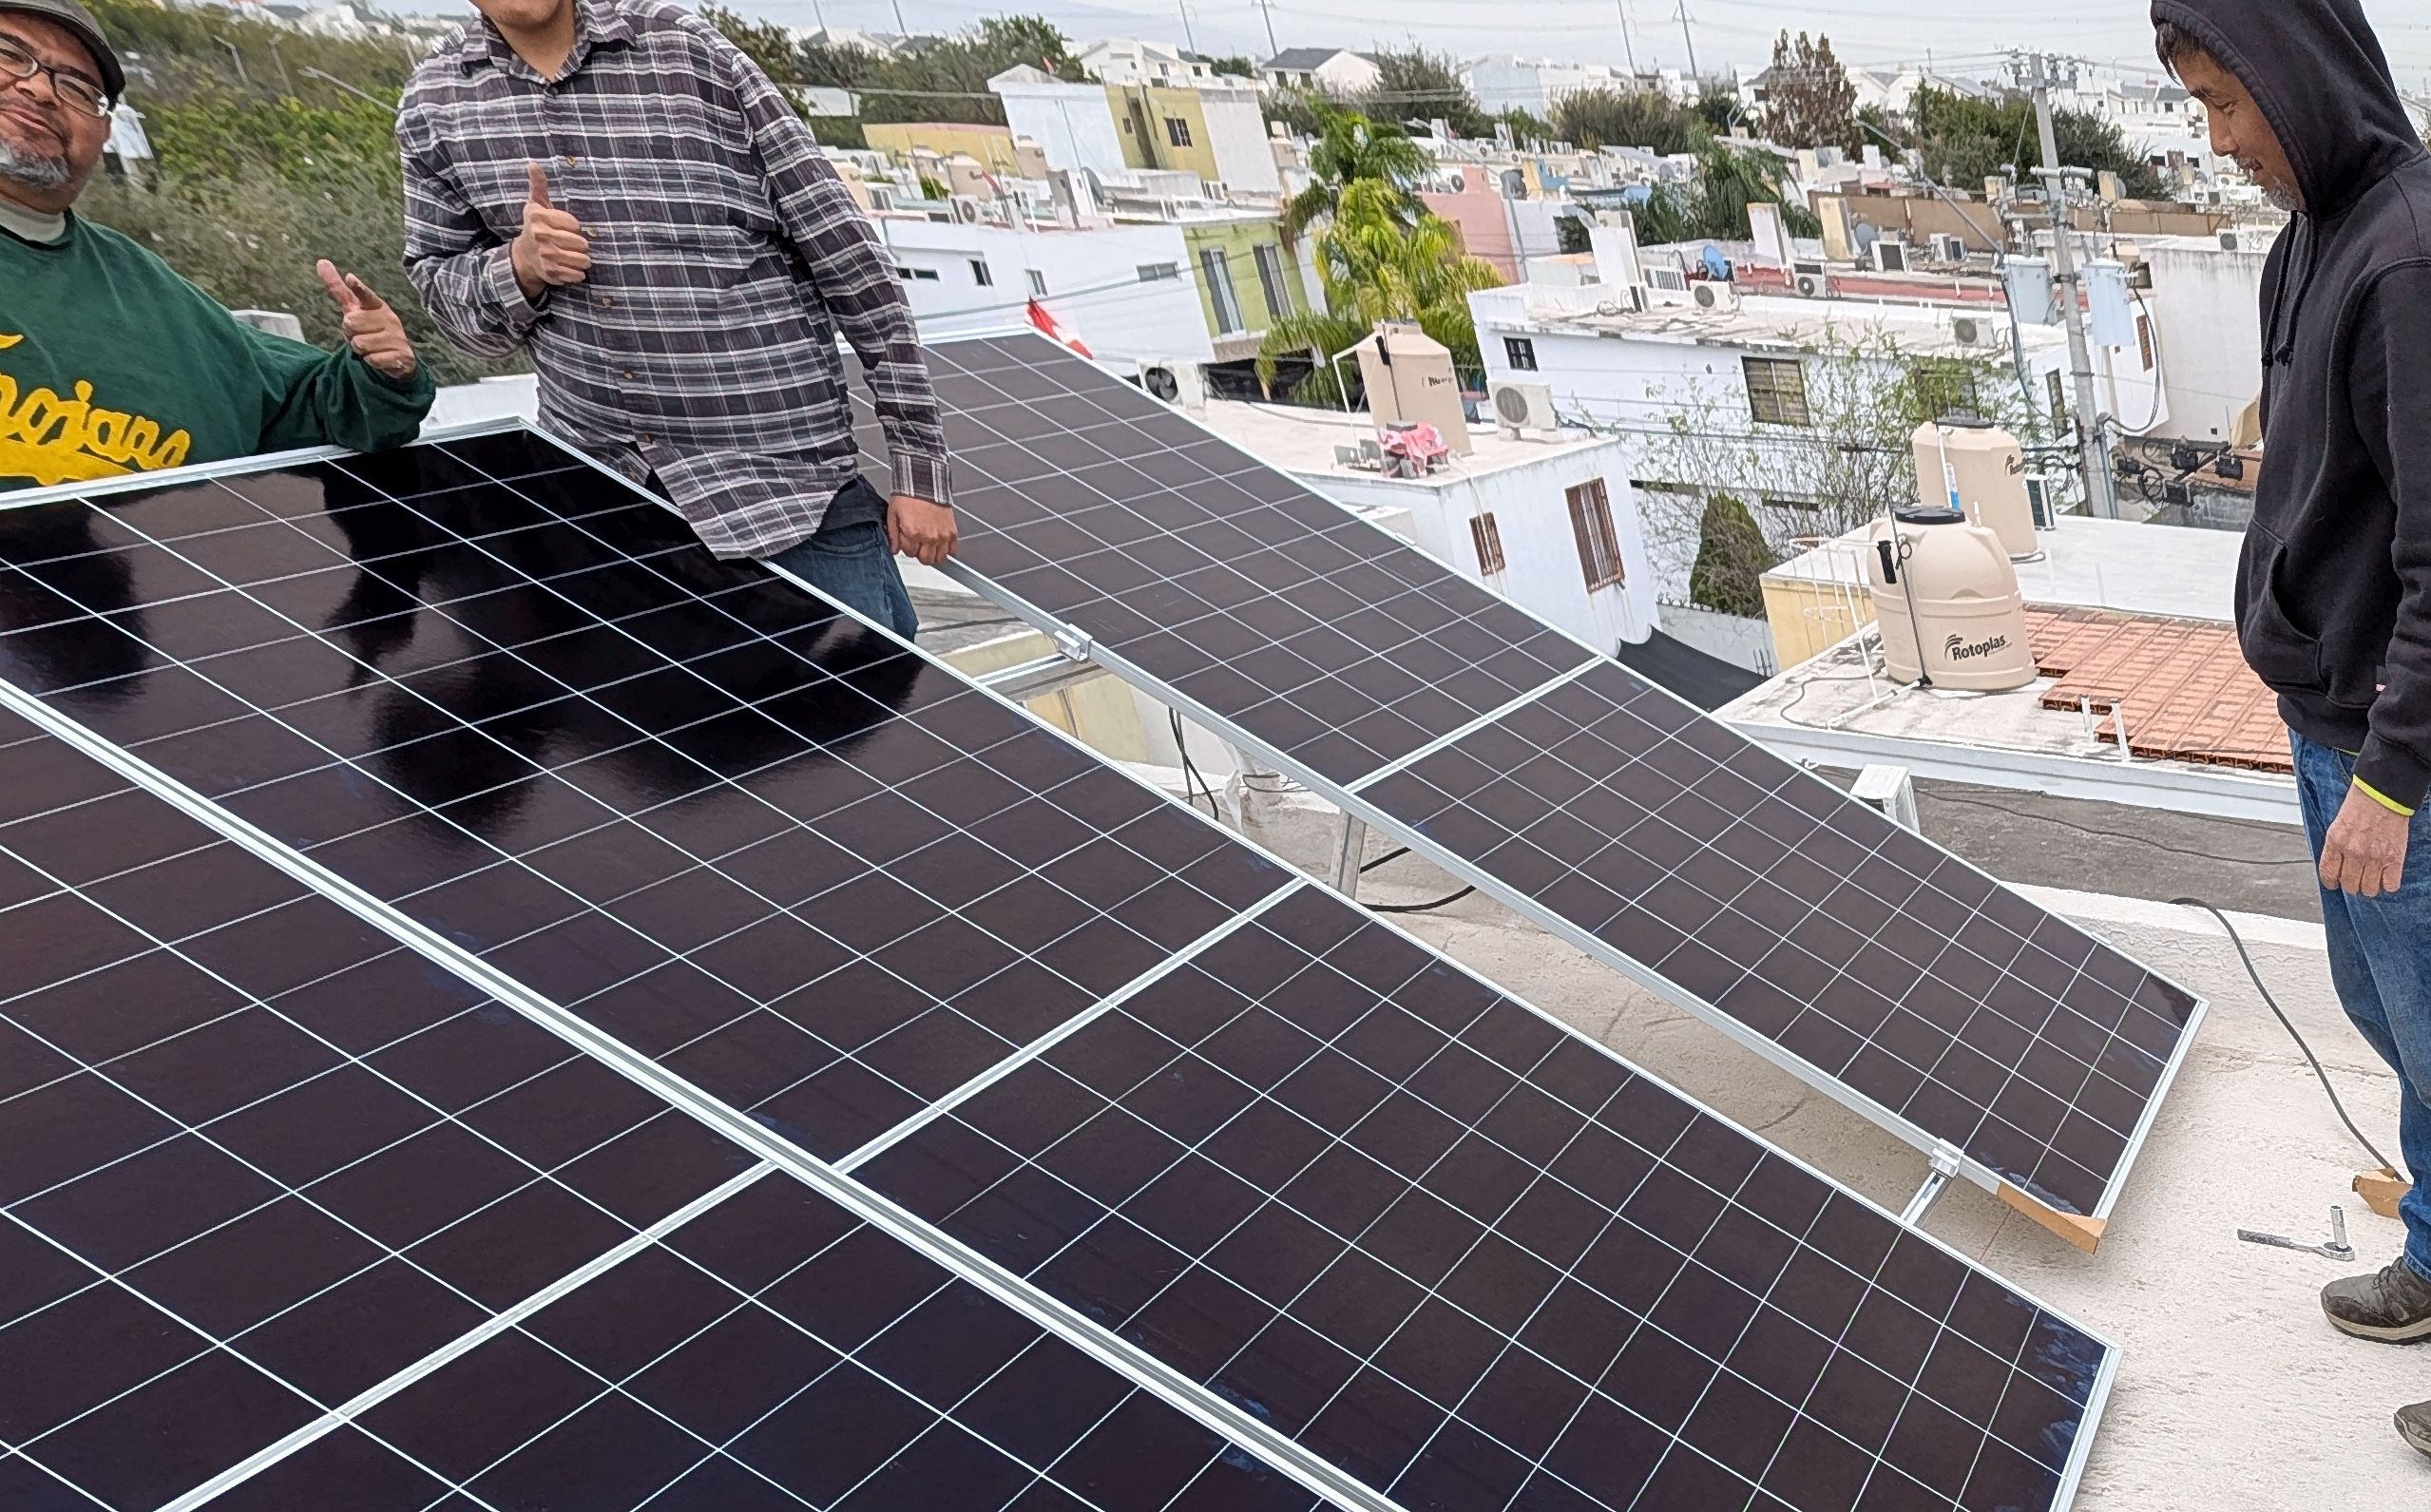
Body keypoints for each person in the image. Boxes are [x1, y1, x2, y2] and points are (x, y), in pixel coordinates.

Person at [2154, 0, 2431, 1463]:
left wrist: (2391, 773)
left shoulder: (2406, 260)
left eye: (2225, 101)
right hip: (2329, 721)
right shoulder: (2311, 238)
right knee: (2396, 1027)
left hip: (2400, 759)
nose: (2216, 140)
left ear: (2296, 76)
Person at [393, 0, 957, 641]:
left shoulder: (690, 54)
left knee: (860, 705)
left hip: (787, 500)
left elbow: (850, 260)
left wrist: (919, 467)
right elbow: (446, 296)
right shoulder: (435, 101)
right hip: (606, 510)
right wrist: (518, 267)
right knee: (657, 711)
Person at [0, 0, 431, 492]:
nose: (40, 90)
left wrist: (380, 368)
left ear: (105, 132)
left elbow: (311, 403)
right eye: (10, 55)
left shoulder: (147, 291)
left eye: (78, 88)